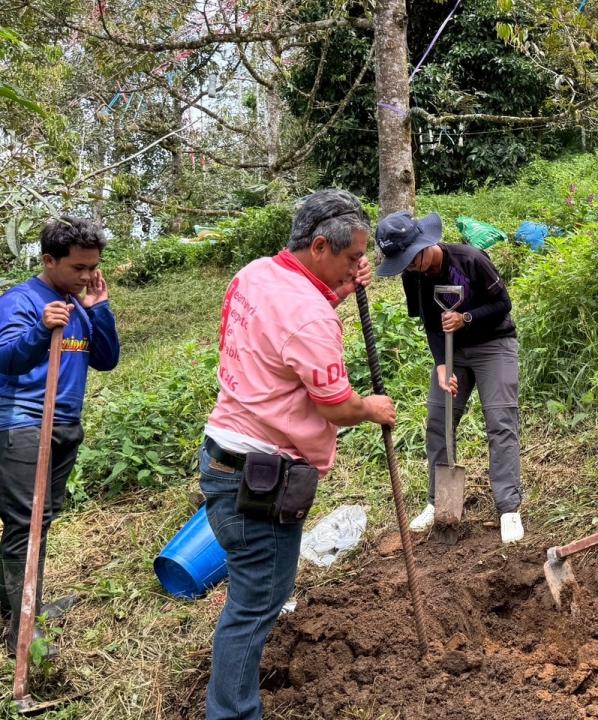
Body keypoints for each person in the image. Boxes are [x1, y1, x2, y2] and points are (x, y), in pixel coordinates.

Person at [199, 190, 396, 720]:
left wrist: (336, 289)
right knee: (257, 603)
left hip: (225, 451)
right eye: (353, 258)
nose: (361, 267)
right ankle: (232, 713)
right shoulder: (310, 318)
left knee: (254, 593)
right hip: (260, 479)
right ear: (318, 246)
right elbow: (335, 405)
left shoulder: (257, 274)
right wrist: (371, 408)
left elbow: (286, 329)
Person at [0, 216, 120, 656]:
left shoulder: (80, 303)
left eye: (92, 267)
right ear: (49, 260)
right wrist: (41, 328)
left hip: (63, 420)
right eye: (78, 268)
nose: (87, 276)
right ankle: (23, 627)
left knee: (40, 519)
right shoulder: (19, 301)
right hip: (16, 420)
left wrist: (99, 307)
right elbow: (5, 359)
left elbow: (107, 360)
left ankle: (16, 606)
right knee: (26, 522)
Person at [374, 211, 524, 544]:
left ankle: (508, 508)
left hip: (493, 345)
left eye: (413, 259)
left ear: (425, 243)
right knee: (439, 422)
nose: (413, 267)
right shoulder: (412, 274)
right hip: (453, 353)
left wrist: (466, 317)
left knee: (500, 420)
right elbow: (430, 321)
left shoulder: (470, 259)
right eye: (405, 264)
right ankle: (440, 502)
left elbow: (503, 304)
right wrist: (442, 364)